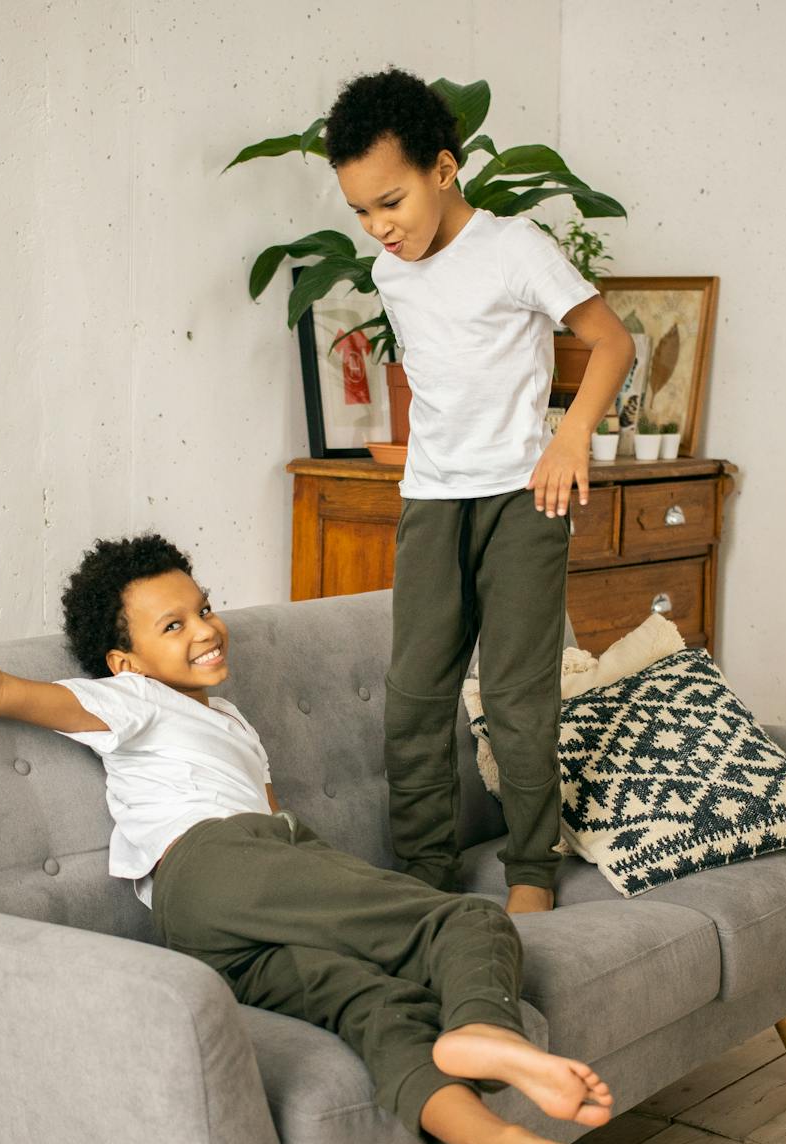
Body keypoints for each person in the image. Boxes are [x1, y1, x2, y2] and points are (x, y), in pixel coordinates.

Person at [0, 534, 682, 1144]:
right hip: (214, 864)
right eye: (174, 625)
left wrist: (322, 870)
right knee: (469, 929)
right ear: (124, 661)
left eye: (203, 607)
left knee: (378, 1008)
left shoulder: (233, 720)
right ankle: (485, 1030)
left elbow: (282, 829)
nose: (205, 629)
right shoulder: (127, 703)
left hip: (215, 927)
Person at [325, 69, 637, 914]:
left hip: (523, 498)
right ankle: (424, 880)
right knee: (414, 696)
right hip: (431, 499)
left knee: (514, 694)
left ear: (444, 169)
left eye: (390, 200)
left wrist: (569, 435)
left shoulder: (513, 247)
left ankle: (530, 877)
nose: (378, 227)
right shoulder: (391, 272)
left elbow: (611, 342)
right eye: (359, 210)